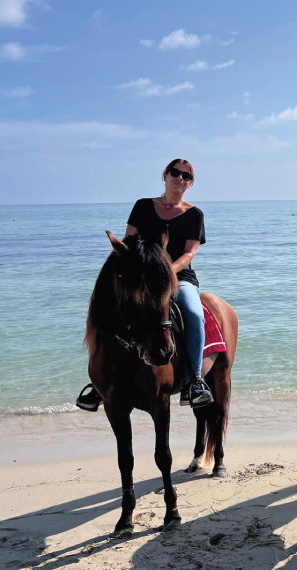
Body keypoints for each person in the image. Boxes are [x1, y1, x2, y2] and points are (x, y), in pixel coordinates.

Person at [76, 158, 214, 411]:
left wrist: (165, 273)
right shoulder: (142, 206)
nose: (179, 178)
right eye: (175, 172)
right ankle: (98, 383)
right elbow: (130, 242)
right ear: (165, 175)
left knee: (193, 313)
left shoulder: (195, 215)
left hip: (178, 277)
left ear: (190, 184)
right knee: (111, 310)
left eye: (186, 176)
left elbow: (189, 254)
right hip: (139, 277)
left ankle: (195, 381)